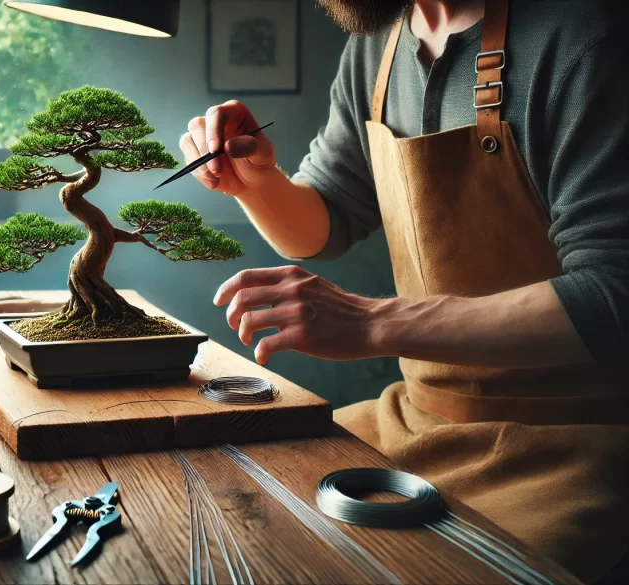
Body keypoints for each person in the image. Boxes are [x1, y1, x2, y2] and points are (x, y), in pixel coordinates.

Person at [183, 0, 629, 581]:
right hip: (414, 416)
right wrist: (257, 183)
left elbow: (614, 296)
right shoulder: (379, 46)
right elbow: (329, 220)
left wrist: (373, 323)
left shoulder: (585, 37)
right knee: (240, 518)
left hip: (576, 444)